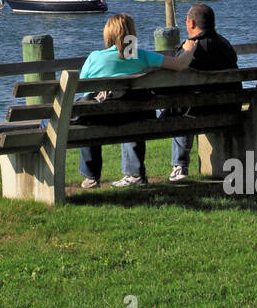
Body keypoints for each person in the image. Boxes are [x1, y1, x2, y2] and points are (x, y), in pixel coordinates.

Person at [77, 13, 194, 189]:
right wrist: (190, 49)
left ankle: (91, 176)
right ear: (132, 33)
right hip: (136, 115)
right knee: (131, 109)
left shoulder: (95, 57)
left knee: (88, 115)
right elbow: (179, 65)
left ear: (108, 34)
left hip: (101, 118)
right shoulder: (142, 56)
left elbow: (83, 89)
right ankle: (135, 174)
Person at [169, 3, 240, 182]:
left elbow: (174, 77)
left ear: (191, 23)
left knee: (181, 107)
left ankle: (180, 165)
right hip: (230, 108)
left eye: (186, 20)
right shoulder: (225, 45)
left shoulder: (191, 49)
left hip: (200, 111)